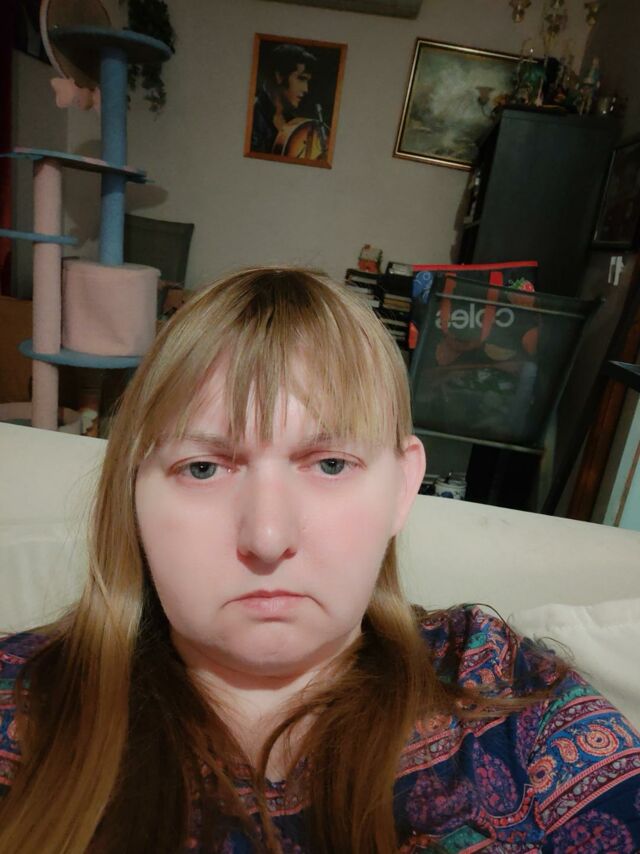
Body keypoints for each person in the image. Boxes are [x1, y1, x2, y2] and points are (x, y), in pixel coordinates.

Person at [0, 267, 639, 853]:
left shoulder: (504, 692)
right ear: (132, 490)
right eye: (203, 468)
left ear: (402, 487)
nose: (268, 537)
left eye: (330, 464)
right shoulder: (21, 706)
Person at [251, 44, 323, 156]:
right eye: (301, 78)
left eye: (307, 81)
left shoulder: (295, 123)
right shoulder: (251, 115)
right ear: (279, 76)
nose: (306, 89)